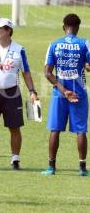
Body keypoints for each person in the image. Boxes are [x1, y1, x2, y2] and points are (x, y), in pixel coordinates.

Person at [0, 18, 38, 170]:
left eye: (0, 28)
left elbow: (26, 72)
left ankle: (15, 160)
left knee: (14, 128)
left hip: (12, 92)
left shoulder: (19, 49)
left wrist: (32, 91)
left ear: (8, 31)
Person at [42, 13, 89, 176]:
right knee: (81, 130)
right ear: (78, 28)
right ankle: (82, 168)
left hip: (59, 93)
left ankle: (51, 167)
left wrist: (63, 90)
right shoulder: (85, 44)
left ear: (64, 28)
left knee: (55, 129)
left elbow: (47, 73)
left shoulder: (54, 44)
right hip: (79, 92)